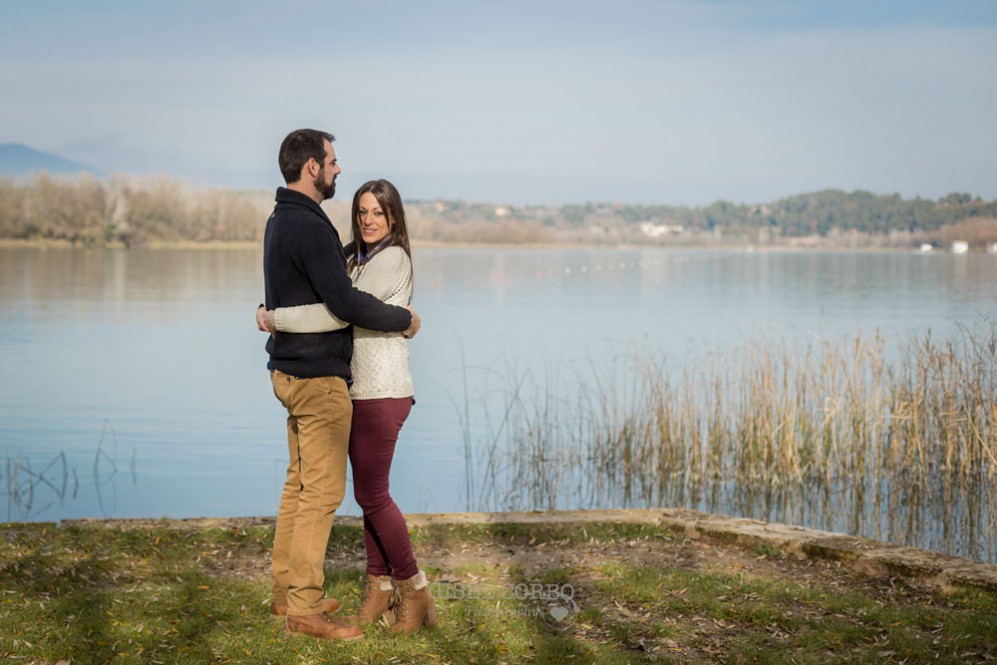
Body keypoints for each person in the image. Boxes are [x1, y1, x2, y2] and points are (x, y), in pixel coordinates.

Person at [262, 130, 421, 642]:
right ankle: (303, 608)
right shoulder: (311, 227)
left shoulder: (279, 219)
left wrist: (274, 318)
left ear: (393, 218)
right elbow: (343, 308)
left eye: (379, 212)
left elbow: (337, 304)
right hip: (318, 379)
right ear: (312, 166)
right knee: (321, 494)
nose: (337, 169)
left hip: (314, 377)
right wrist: (404, 319)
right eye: (332, 162)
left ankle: (294, 593)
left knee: (310, 486)